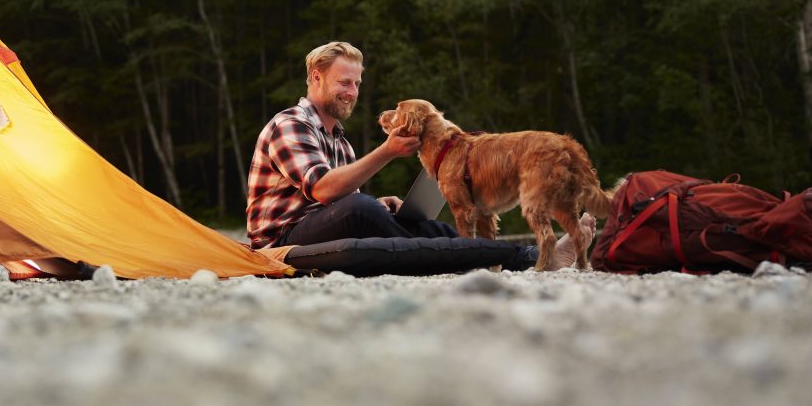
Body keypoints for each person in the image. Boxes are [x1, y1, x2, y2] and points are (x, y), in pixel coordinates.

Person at [245, 41, 593, 266]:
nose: (352, 92)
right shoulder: (290, 124)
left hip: (323, 226)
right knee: (360, 208)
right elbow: (323, 190)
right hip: (282, 239)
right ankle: (492, 257)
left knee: (413, 221)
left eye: (356, 84)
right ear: (316, 78)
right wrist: (386, 151)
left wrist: (384, 203)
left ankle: (531, 256)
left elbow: (337, 203)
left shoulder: (339, 140)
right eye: (343, 82)